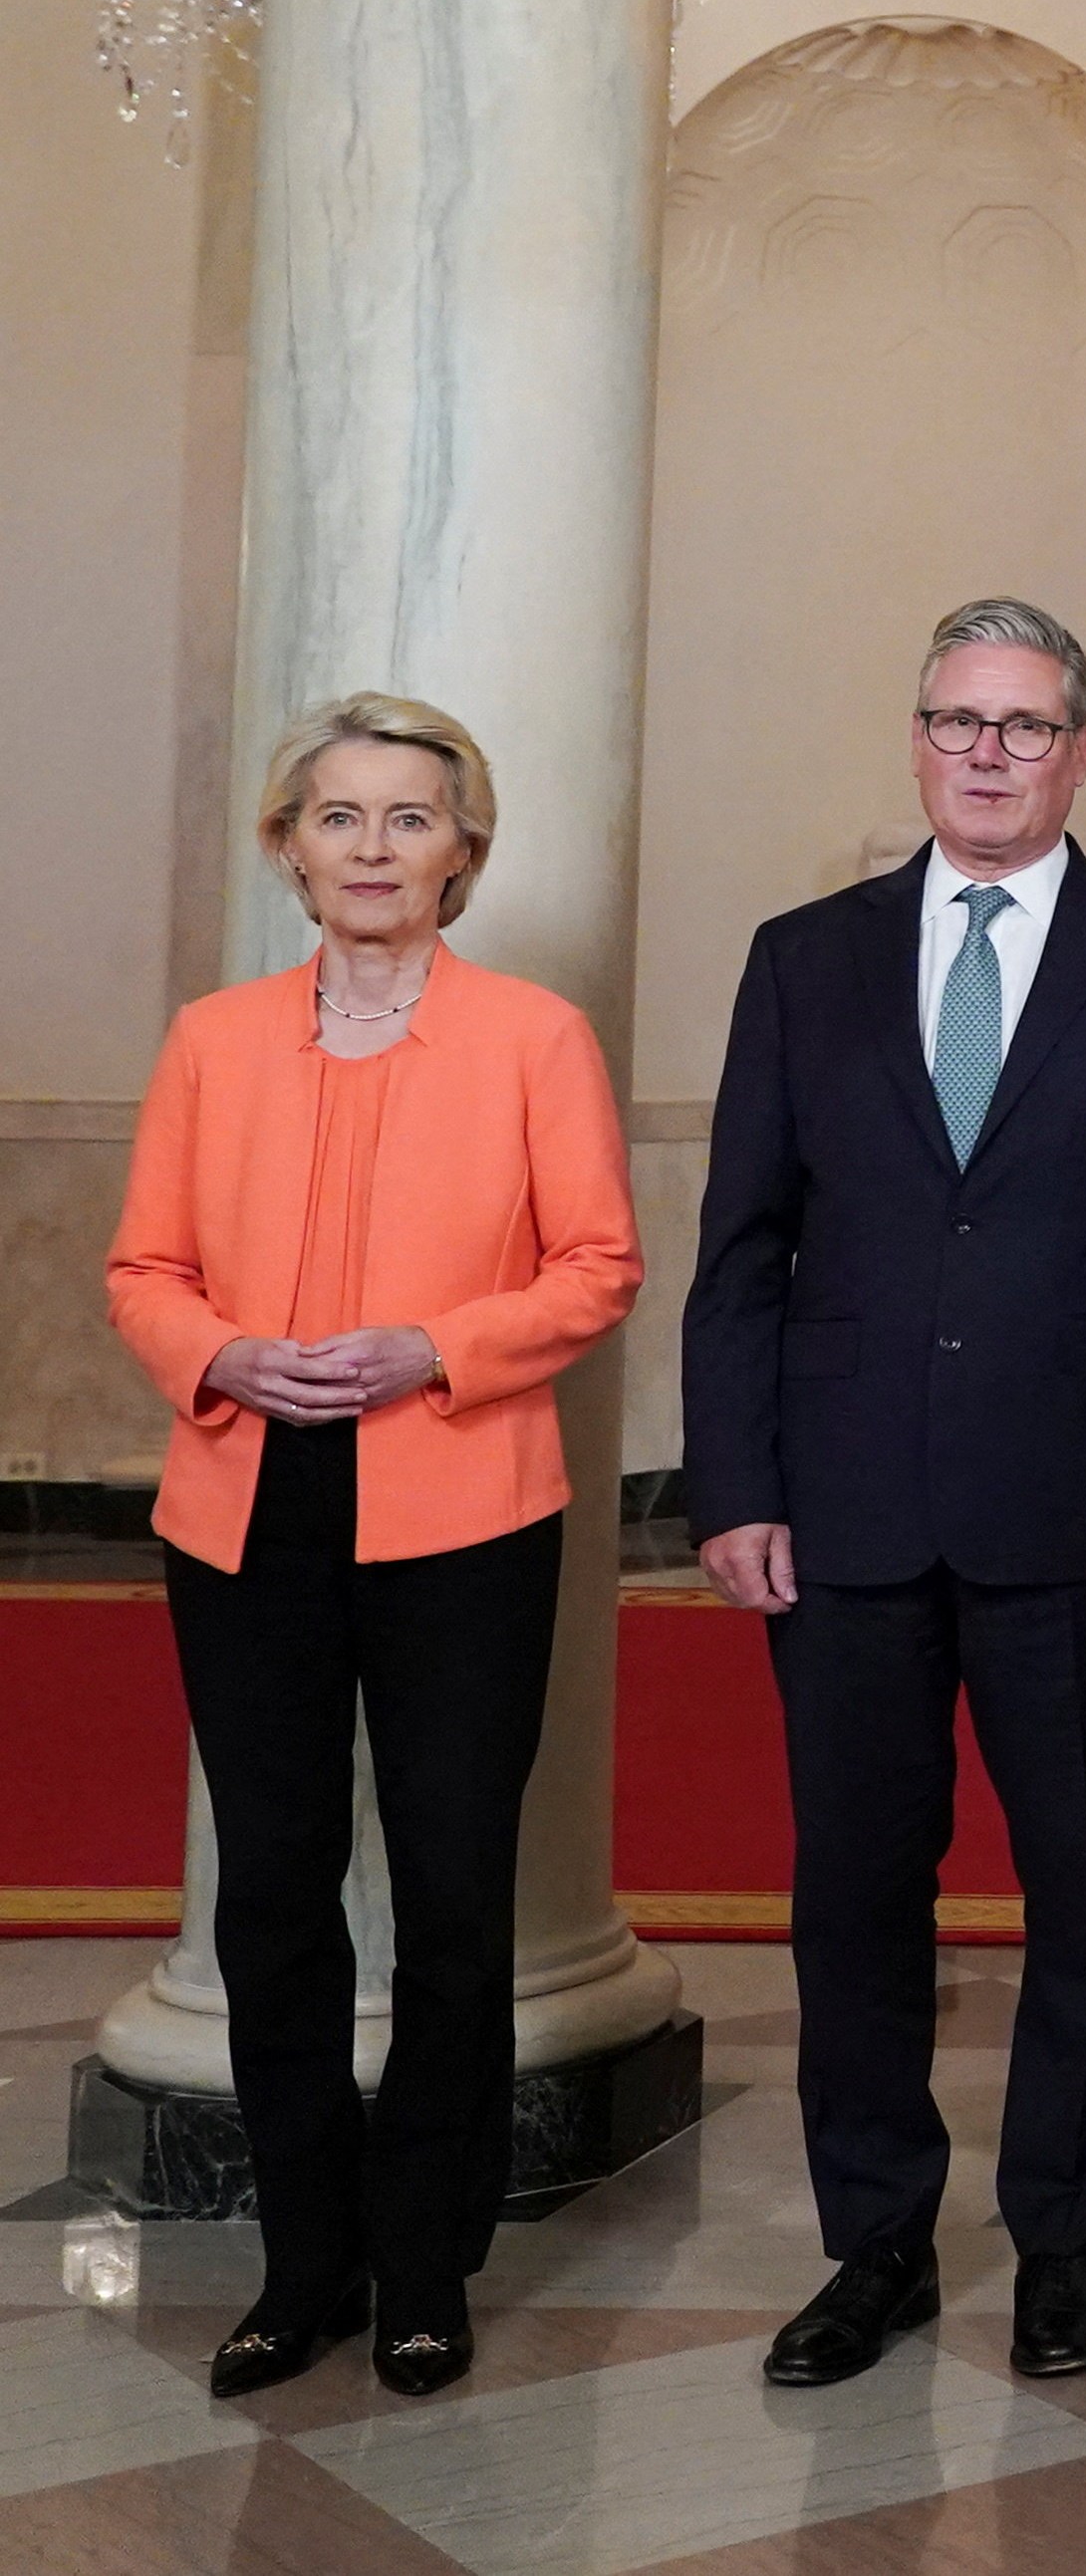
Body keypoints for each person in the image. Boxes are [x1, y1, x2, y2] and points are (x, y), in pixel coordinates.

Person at [685, 600, 1086, 2390]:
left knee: (1085, 1891)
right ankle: (874, 2247)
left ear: (1080, 752)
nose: (989, 752)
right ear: (919, 741)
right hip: (840, 1512)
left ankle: (1061, 2242)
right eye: (957, 721)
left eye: (1025, 724)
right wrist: (731, 1485)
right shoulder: (805, 959)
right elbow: (742, 1255)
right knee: (855, 1893)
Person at [111, 695, 641, 2400]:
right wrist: (216, 1356)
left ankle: (425, 2265)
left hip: (460, 1508)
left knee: (452, 1897)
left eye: (408, 819)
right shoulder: (210, 1039)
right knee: (270, 1897)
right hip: (245, 1503)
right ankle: (301, 2263)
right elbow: (143, 1273)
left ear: (461, 852)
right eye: (337, 818)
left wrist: (435, 1348)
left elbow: (597, 1267)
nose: (370, 848)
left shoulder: (534, 1037)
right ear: (288, 847)